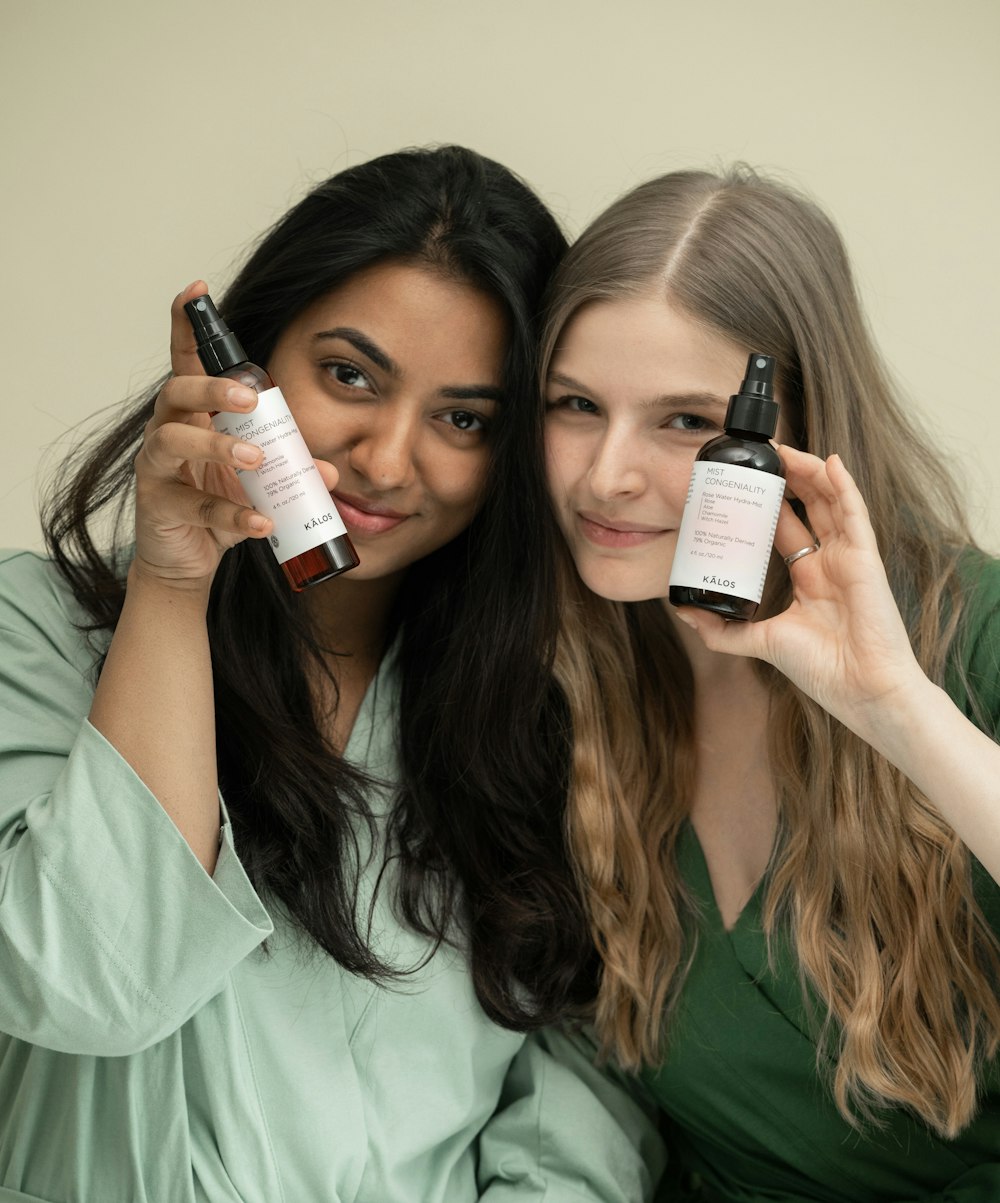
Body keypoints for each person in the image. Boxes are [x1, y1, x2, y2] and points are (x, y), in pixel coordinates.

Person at [0, 146, 664, 1203]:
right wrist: (173, 583)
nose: (389, 462)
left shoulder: (538, 708)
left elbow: (579, 1075)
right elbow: (91, 986)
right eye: (348, 376)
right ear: (249, 363)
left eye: (464, 420)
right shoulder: (36, 633)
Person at [540, 165, 1000, 1202]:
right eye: (575, 405)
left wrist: (897, 710)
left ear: (788, 430)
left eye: (684, 422)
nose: (603, 476)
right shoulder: (574, 673)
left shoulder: (973, 637)